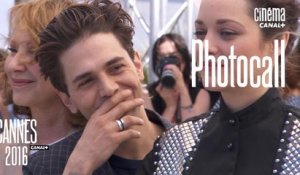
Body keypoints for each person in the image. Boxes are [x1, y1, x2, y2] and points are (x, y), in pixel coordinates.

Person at [137, 0, 300, 174]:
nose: (206, 46)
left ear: (277, 44)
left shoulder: (294, 142)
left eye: (227, 32)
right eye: (200, 33)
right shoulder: (173, 147)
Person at [35, 0, 169, 174]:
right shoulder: (43, 167)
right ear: (67, 99)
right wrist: (79, 168)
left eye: (116, 68)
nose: (108, 88)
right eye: (86, 81)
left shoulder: (198, 143)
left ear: (137, 65)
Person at [4, 0, 87, 174]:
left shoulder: (99, 140)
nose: (14, 65)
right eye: (12, 50)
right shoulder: (11, 141)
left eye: (34, 52)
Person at [148, 33, 219, 123]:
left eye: (173, 56)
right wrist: (171, 107)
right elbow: (155, 136)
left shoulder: (200, 92)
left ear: (184, 60)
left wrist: (182, 90)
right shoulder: (150, 94)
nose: (167, 62)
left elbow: (191, 130)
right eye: (161, 57)